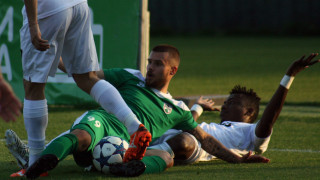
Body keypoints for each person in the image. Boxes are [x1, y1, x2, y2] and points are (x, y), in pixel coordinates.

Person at [8, 44, 269, 178]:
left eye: (158, 64)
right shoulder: (130, 77)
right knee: (83, 136)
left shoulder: (178, 109)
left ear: (172, 71)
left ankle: (133, 169)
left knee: (166, 158)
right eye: (149, 62)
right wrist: (50, 58)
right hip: (104, 122)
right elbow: (85, 75)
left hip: (127, 145)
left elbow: (206, 141)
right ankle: (38, 166)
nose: (150, 68)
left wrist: (239, 159)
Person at [20, 0, 151, 169]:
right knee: (87, 78)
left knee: (33, 86)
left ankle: (35, 161)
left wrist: (33, 24)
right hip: (79, 6)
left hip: (48, 9)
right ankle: (134, 126)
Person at [159, 53, 320, 164]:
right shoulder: (215, 126)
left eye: (232, 103)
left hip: (193, 146)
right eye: (226, 102)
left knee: (184, 141)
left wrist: (289, 77)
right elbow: (186, 125)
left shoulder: (250, 133)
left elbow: (269, 119)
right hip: (174, 133)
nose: (225, 106)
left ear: (249, 112)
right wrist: (198, 108)